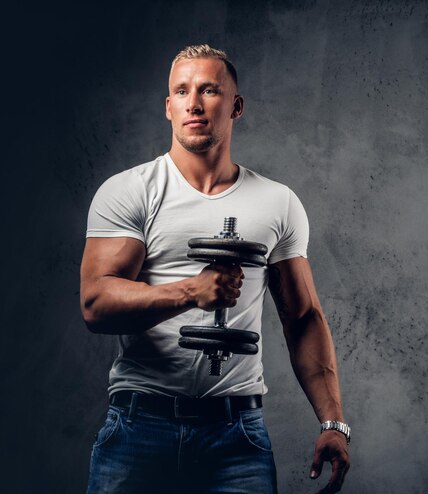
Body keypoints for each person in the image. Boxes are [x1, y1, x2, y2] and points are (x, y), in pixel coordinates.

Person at [80, 44, 350, 494]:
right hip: (138, 426)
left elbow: (303, 319)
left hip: (236, 435)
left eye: (209, 90)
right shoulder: (129, 191)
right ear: (168, 107)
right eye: (181, 91)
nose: (194, 103)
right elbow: (96, 303)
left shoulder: (277, 202)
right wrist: (191, 291)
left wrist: (334, 422)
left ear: (236, 106)